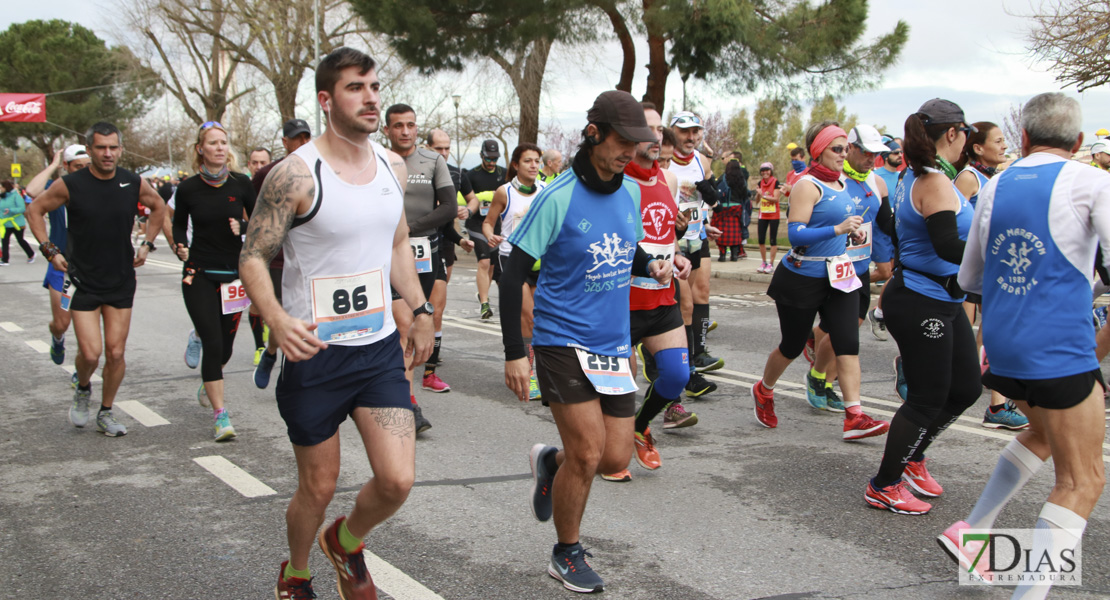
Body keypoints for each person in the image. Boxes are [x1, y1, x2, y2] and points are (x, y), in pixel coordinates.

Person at [239, 47, 433, 600]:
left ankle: (345, 542)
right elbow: (252, 256)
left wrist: (418, 310)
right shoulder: (294, 175)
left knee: (397, 480)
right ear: (327, 100)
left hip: (375, 350)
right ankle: (297, 573)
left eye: (374, 85)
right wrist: (275, 318)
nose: (371, 97)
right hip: (314, 354)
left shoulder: (394, 167)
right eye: (356, 87)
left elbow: (396, 242)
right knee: (318, 485)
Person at [501, 90, 666, 593]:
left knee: (616, 459)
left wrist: (651, 264)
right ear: (593, 133)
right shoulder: (558, 196)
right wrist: (515, 352)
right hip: (560, 341)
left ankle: (550, 463)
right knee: (590, 452)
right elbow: (512, 273)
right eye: (622, 141)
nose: (630, 152)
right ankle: (565, 552)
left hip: (612, 346)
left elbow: (625, 245)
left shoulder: (630, 193)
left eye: (636, 143)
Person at [945, 92, 1109, 598]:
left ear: (1025, 138)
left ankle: (974, 534)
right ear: (1079, 142)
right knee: (1082, 481)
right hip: (1058, 347)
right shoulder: (1094, 180)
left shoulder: (996, 185)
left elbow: (970, 275)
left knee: (1041, 435)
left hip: (1004, 348)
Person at [864, 99, 982, 515]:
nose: (969, 140)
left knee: (967, 388)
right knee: (928, 398)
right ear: (953, 133)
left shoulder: (926, 176)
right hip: (920, 299)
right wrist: (996, 255)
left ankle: (913, 456)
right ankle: (884, 484)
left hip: (943, 298)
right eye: (966, 133)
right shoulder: (932, 180)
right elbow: (948, 244)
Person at [26, 121, 167, 437]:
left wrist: (147, 244)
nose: (107, 153)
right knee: (90, 354)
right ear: (89, 150)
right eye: (101, 147)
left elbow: (158, 207)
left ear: (120, 149)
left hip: (120, 279)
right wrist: (50, 250)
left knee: (116, 353)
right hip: (81, 280)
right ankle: (83, 386)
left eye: (113, 147)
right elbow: (34, 210)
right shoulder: (71, 184)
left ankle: (105, 412)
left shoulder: (132, 182)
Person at [749, 122, 874, 442]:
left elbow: (841, 221)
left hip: (839, 274)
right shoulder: (807, 185)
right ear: (818, 151)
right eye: (837, 149)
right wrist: (837, 228)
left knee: (848, 343)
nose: (843, 154)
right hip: (802, 277)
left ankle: (854, 415)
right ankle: (764, 390)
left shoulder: (843, 183)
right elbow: (796, 234)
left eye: (846, 149)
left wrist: (853, 230)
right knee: (791, 346)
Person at [603, 101, 693, 482]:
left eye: (659, 131)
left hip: (660, 298)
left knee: (676, 377)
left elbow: (664, 235)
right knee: (622, 386)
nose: (657, 137)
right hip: (620, 303)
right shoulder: (615, 183)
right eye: (649, 131)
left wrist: (680, 256)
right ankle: (611, 451)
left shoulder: (669, 179)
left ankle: (640, 427)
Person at [804, 124, 892, 438]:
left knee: (848, 326)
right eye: (865, 152)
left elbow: (884, 226)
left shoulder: (878, 182)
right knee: (840, 329)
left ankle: (820, 373)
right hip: (833, 265)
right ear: (849, 148)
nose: (871, 159)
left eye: (876, 154)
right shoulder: (833, 180)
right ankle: (818, 379)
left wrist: (888, 258)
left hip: (860, 265)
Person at [172, 121, 255, 441]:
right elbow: (179, 225)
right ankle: (221, 415)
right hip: (199, 273)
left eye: (224, 142)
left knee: (225, 350)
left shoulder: (241, 183)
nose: (220, 147)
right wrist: (180, 245)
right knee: (213, 343)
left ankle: (209, 377)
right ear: (200, 149)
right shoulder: (188, 188)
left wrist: (243, 227)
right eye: (213, 143)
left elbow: (261, 221)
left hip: (234, 276)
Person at [384, 104, 456, 434]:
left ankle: (400, 388)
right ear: (387, 130)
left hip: (425, 250)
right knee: (403, 324)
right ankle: (408, 402)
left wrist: (408, 229)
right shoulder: (378, 159)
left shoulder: (432, 160)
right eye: (398, 125)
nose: (405, 131)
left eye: (410, 125)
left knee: (421, 322)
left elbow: (449, 208)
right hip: (389, 253)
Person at [953, 121, 1028, 431]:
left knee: (991, 331)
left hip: (994, 266)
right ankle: (921, 372)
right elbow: (948, 219)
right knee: (963, 332)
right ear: (978, 148)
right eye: (997, 141)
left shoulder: (998, 179)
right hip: (968, 265)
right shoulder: (969, 178)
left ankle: (997, 404)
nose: (1003, 146)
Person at [251, 118, 313, 389]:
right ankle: (273, 354)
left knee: (309, 315)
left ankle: (304, 366)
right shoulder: (269, 173)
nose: (302, 143)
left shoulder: (321, 170)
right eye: (296, 139)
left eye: (305, 137)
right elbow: (253, 212)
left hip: (312, 257)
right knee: (286, 314)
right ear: (285, 142)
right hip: (277, 258)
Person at [482, 143, 545, 401]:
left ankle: (540, 369)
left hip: (541, 262)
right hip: (512, 260)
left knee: (539, 319)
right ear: (516, 165)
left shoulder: (546, 191)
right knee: (527, 316)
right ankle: (529, 374)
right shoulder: (504, 192)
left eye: (537, 161)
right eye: (528, 161)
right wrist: (490, 236)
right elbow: (488, 222)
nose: (533, 165)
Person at [668, 111, 724, 394]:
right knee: (685, 304)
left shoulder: (703, 161)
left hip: (697, 236)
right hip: (672, 240)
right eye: (684, 132)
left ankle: (699, 352)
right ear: (673, 132)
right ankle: (686, 370)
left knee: (702, 294)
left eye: (695, 132)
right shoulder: (663, 163)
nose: (691, 137)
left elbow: (708, 198)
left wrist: (707, 219)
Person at [25, 144, 91, 366]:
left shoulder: (98, 187)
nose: (82, 170)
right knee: (62, 322)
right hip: (62, 265)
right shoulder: (56, 188)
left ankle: (81, 372)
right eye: (77, 166)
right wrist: (52, 165)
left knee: (87, 327)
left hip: (90, 265)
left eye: (87, 166)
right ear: (67, 166)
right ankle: (57, 336)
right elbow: (31, 192)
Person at [466, 139, 507, 319]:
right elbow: (463, 198)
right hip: (476, 224)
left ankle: (483, 294)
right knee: (483, 261)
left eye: (495, 159)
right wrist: (482, 197)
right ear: (481, 155)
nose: (492, 162)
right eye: (488, 158)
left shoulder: (504, 173)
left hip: (495, 224)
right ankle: (484, 304)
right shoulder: (471, 175)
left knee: (492, 264)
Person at [713, 152, 748, 261]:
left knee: (722, 230)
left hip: (724, 208)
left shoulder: (723, 177)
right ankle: (734, 254)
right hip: (737, 208)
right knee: (736, 231)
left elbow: (715, 187)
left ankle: (722, 255)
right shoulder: (741, 178)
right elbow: (745, 193)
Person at [754, 163, 784, 273]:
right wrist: (758, 194)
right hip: (763, 214)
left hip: (773, 215)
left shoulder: (775, 182)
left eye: (767, 170)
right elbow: (757, 201)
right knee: (761, 239)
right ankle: (764, 262)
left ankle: (771, 263)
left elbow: (776, 198)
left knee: (772, 239)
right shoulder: (760, 183)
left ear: (771, 171)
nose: (765, 173)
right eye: (762, 171)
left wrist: (763, 195)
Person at [0, 180, 35, 265]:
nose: (0, 189)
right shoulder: (2, 197)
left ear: (6, 187)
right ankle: (5, 260)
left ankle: (31, 254)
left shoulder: (16, 196)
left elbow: (22, 208)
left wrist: (11, 210)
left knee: (20, 240)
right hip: (6, 223)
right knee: (4, 241)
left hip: (17, 224)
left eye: (1, 187)